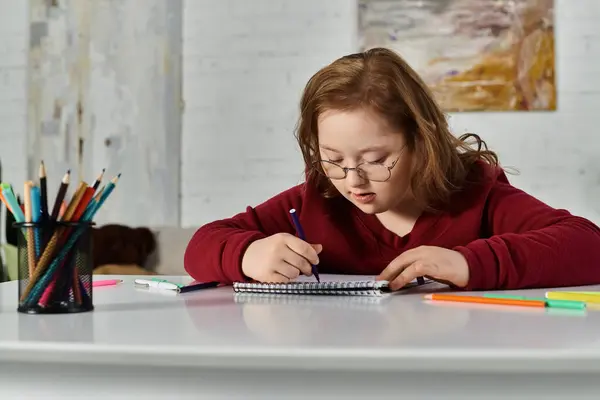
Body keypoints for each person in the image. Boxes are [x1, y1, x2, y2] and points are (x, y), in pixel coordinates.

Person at [184, 47, 600, 291]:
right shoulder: (318, 198)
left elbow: (588, 245)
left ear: (422, 142)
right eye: (332, 158)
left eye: (376, 160)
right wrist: (248, 254)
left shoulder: (477, 195)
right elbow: (201, 245)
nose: (352, 179)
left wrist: (469, 264)